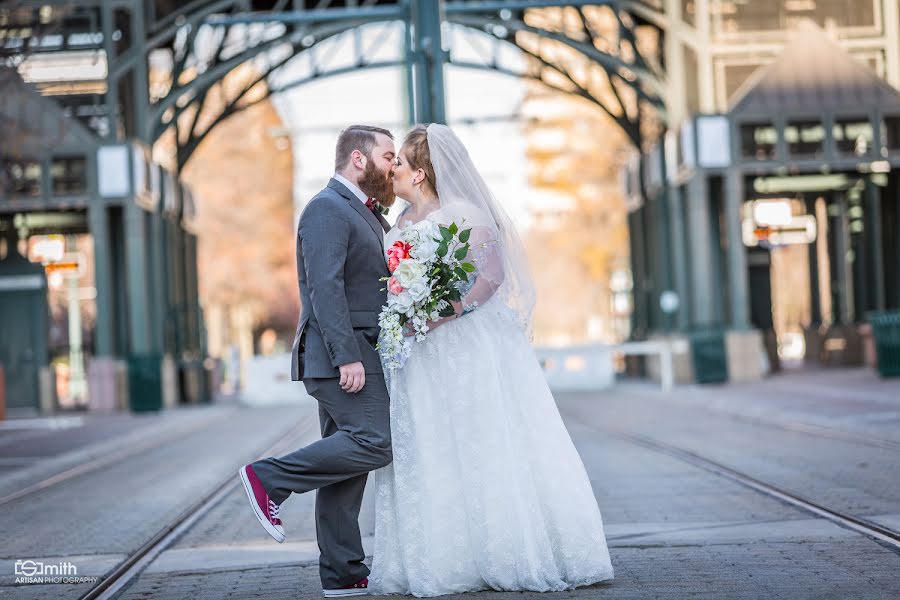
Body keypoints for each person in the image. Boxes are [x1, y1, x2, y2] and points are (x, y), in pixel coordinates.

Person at [369, 124, 614, 596]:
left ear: (420, 173)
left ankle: (507, 549)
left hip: (465, 344)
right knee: (430, 444)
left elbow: (492, 275)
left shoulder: (464, 213)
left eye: (398, 161)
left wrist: (448, 309)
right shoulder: (398, 224)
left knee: (484, 439)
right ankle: (444, 558)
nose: (392, 168)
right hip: (418, 353)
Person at [238, 124, 396, 597]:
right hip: (339, 356)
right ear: (358, 159)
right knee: (376, 442)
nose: (395, 165)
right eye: (389, 156)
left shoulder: (364, 213)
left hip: (358, 351)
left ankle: (343, 573)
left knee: (346, 462)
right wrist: (347, 356)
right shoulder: (327, 209)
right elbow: (323, 288)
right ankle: (268, 478)